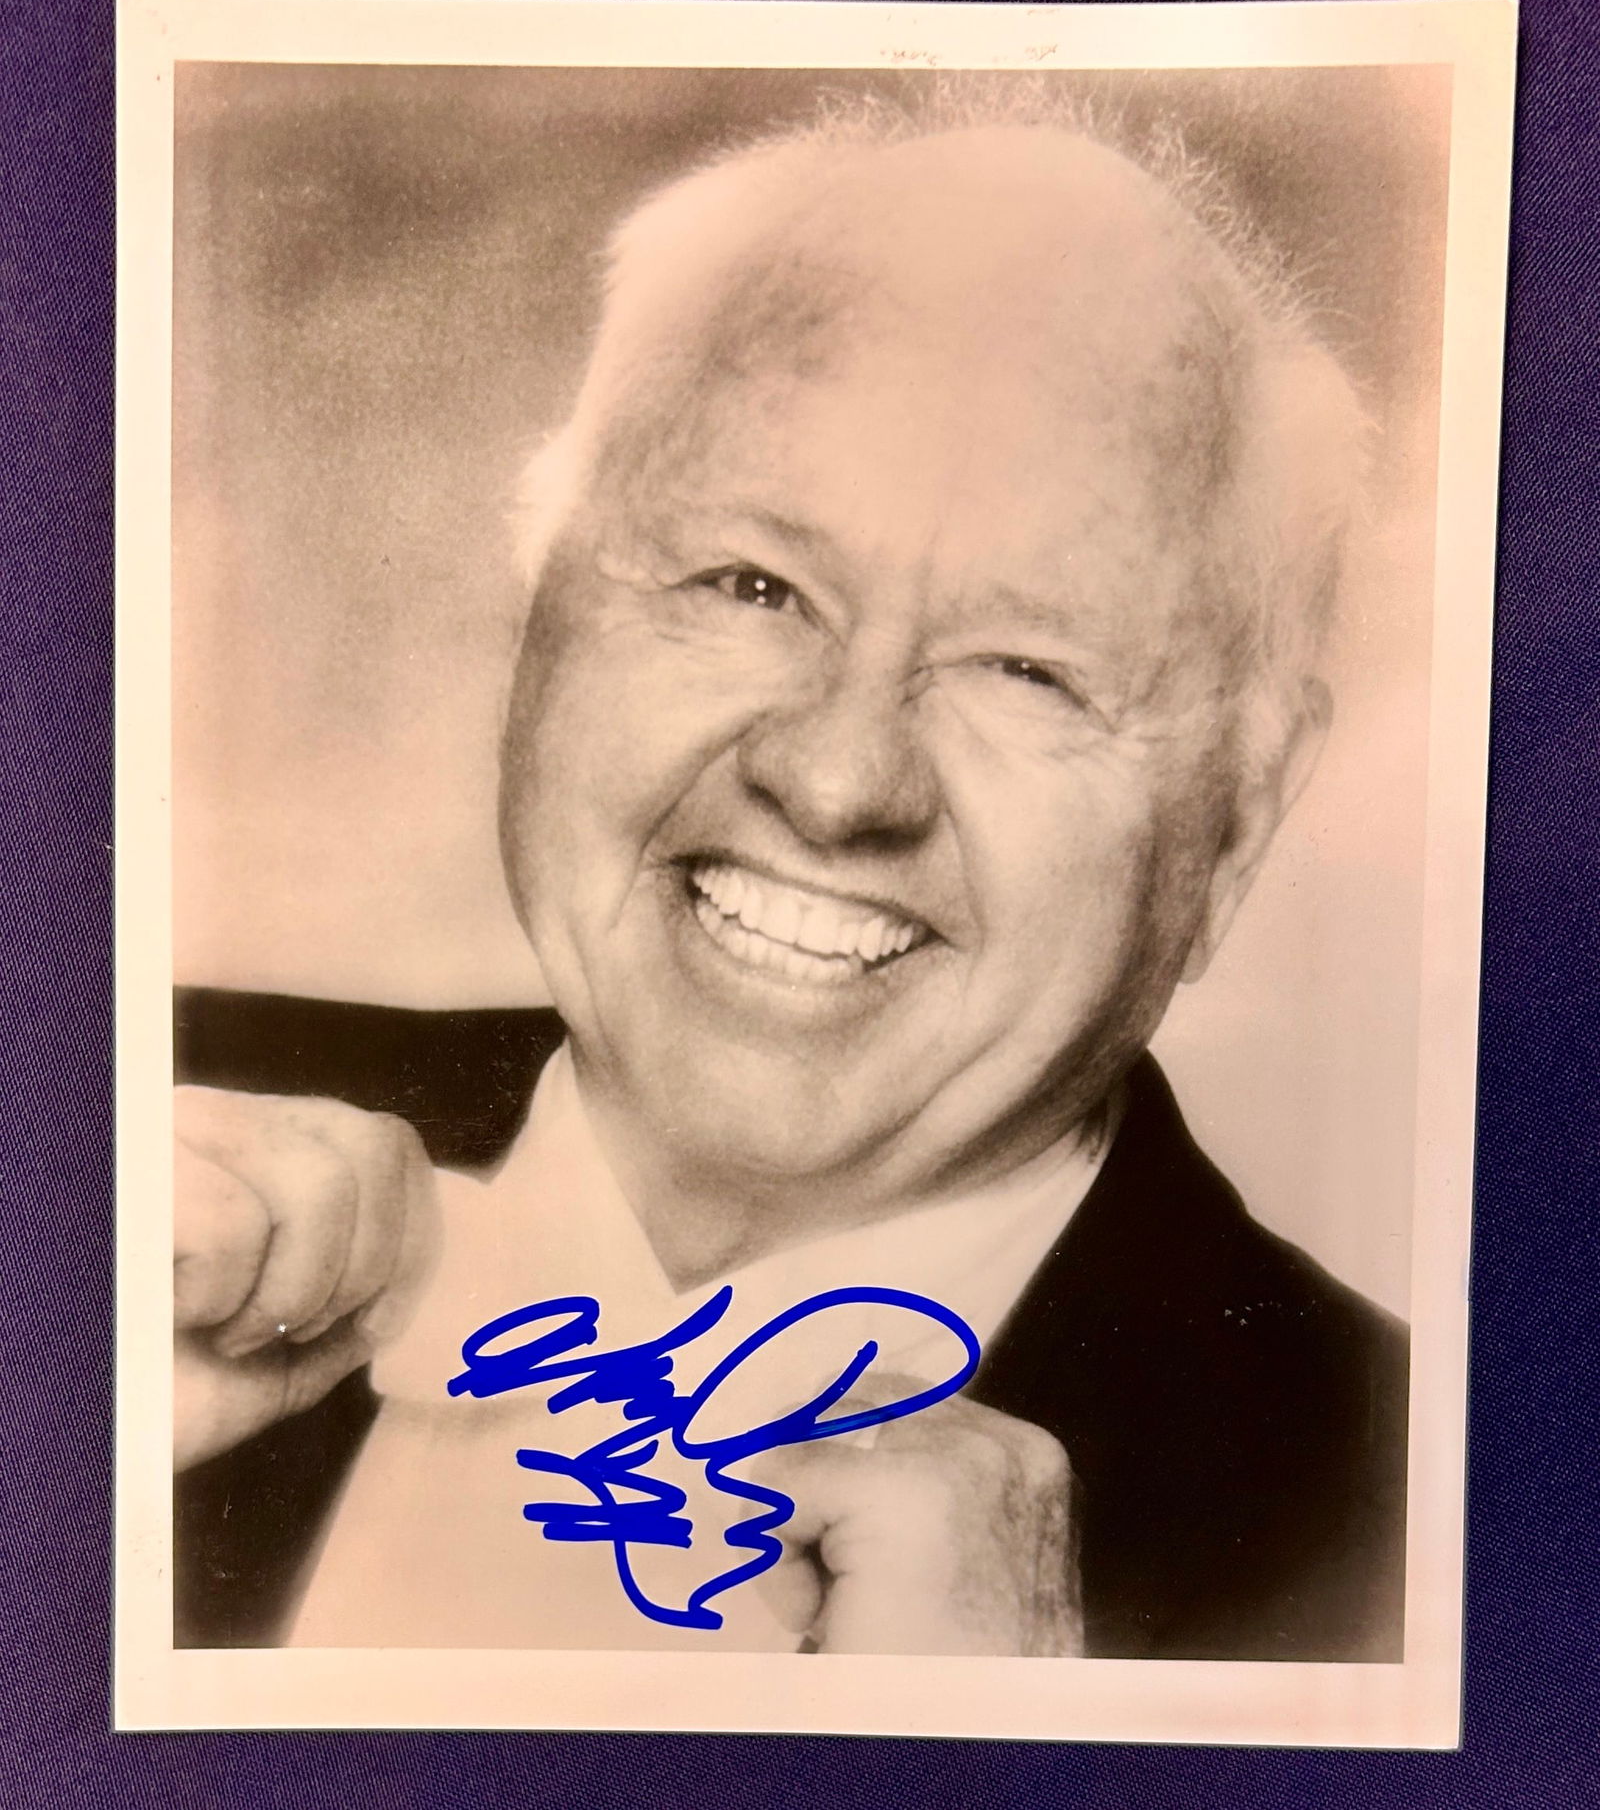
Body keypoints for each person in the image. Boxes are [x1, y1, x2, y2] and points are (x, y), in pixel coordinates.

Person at [172, 98, 1408, 1661]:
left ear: (1238, 823)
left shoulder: (1423, 1521)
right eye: (750, 583)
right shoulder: (103, 1136)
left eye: (1028, 669)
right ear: (540, 601)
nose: (838, 788)